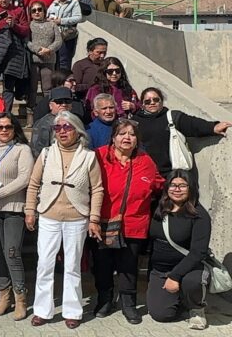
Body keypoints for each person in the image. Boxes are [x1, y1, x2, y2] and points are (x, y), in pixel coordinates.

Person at [25, 111, 104, 329]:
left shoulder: (89, 156)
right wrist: (30, 210)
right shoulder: (46, 153)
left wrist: (94, 218)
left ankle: (73, 311)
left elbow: (97, 189)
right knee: (44, 264)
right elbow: (33, 183)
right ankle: (42, 310)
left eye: (66, 127)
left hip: (76, 218)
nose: (61, 132)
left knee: (72, 266)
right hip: (48, 216)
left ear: (77, 131)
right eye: (57, 128)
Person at [93, 119, 163, 324]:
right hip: (104, 222)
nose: (127, 138)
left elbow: (158, 184)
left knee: (128, 266)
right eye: (122, 133)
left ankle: (128, 304)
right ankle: (105, 299)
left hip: (134, 223)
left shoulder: (145, 160)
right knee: (102, 265)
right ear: (113, 138)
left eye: (131, 134)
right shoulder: (99, 156)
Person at [0, 113, 34, 321]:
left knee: (12, 253)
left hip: (13, 208)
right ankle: (4, 296)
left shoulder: (22, 150)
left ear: (15, 129)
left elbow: (25, 178)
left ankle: (20, 297)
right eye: (0, 127)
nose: (4, 130)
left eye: (8, 127)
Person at [147, 170, 211, 330]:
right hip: (160, 270)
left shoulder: (199, 215)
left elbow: (198, 252)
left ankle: (197, 308)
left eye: (182, 185)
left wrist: (175, 276)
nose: (177, 189)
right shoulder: (158, 208)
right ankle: (181, 298)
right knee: (161, 314)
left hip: (190, 269)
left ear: (191, 188)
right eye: (173, 185)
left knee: (192, 282)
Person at [133, 87, 232, 177]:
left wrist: (213, 127)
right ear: (142, 105)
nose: (152, 103)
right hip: (144, 175)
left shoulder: (172, 117)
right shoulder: (135, 122)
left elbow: (192, 124)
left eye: (156, 100)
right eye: (147, 101)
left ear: (162, 102)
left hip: (171, 175)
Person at [27, 0, 61, 124]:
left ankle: (48, 113)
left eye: (39, 9)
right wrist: (38, 49)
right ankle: (30, 114)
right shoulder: (29, 25)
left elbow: (58, 40)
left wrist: (49, 49)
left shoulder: (52, 24)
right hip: (34, 60)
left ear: (44, 11)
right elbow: (26, 41)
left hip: (48, 60)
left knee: (47, 88)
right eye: (34, 10)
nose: (37, 12)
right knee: (32, 88)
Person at [47, 0, 83, 71]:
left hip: (66, 36)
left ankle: (65, 82)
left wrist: (61, 21)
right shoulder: (53, 4)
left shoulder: (74, 3)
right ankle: (55, 82)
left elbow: (78, 17)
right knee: (55, 60)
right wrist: (48, 20)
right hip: (54, 36)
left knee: (64, 60)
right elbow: (47, 15)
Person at [30, 87, 74, 158]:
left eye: (67, 101)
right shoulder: (43, 124)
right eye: (59, 101)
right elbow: (38, 153)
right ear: (50, 105)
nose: (64, 105)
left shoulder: (76, 121)